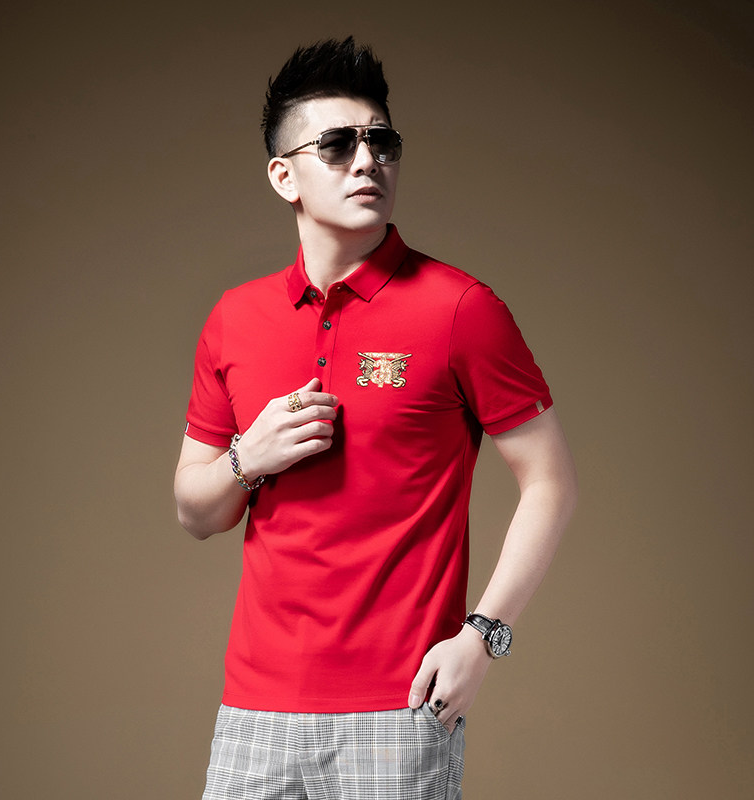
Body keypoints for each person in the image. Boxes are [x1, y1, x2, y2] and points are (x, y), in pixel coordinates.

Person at [174, 36, 577, 800]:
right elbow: (195, 512)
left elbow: (551, 483)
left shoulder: (461, 309)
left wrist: (483, 637)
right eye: (337, 145)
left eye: (381, 142)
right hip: (254, 710)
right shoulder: (234, 318)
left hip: (400, 707)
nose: (367, 162)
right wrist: (247, 457)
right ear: (283, 175)